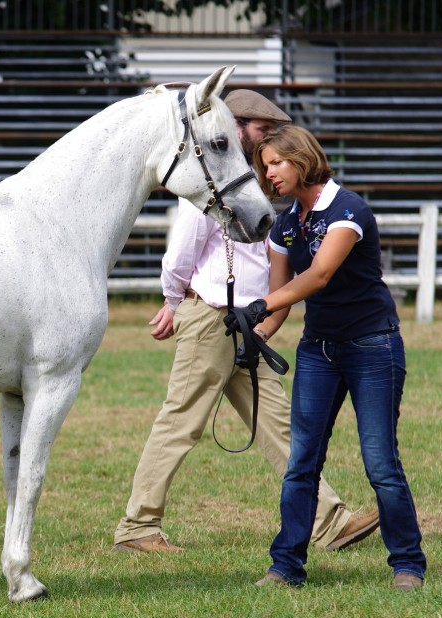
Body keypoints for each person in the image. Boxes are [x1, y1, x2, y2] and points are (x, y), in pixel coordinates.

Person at [113, 91, 380, 555]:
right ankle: (138, 526)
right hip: (213, 314)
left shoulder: (252, 182)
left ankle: (329, 522)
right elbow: (182, 248)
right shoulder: (211, 182)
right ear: (236, 126)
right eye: (261, 129)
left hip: (246, 322)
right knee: (181, 422)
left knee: (278, 424)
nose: (268, 138)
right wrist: (174, 301)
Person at [233, 124, 426, 591]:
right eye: (264, 167)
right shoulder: (284, 225)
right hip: (318, 350)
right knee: (302, 462)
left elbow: (318, 276)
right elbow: (280, 301)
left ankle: (408, 563)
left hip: (372, 346)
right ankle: (286, 566)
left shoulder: (348, 209)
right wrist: (251, 331)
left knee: (380, 462)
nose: (269, 174)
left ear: (301, 157)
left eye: (276, 162)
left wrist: (263, 306)